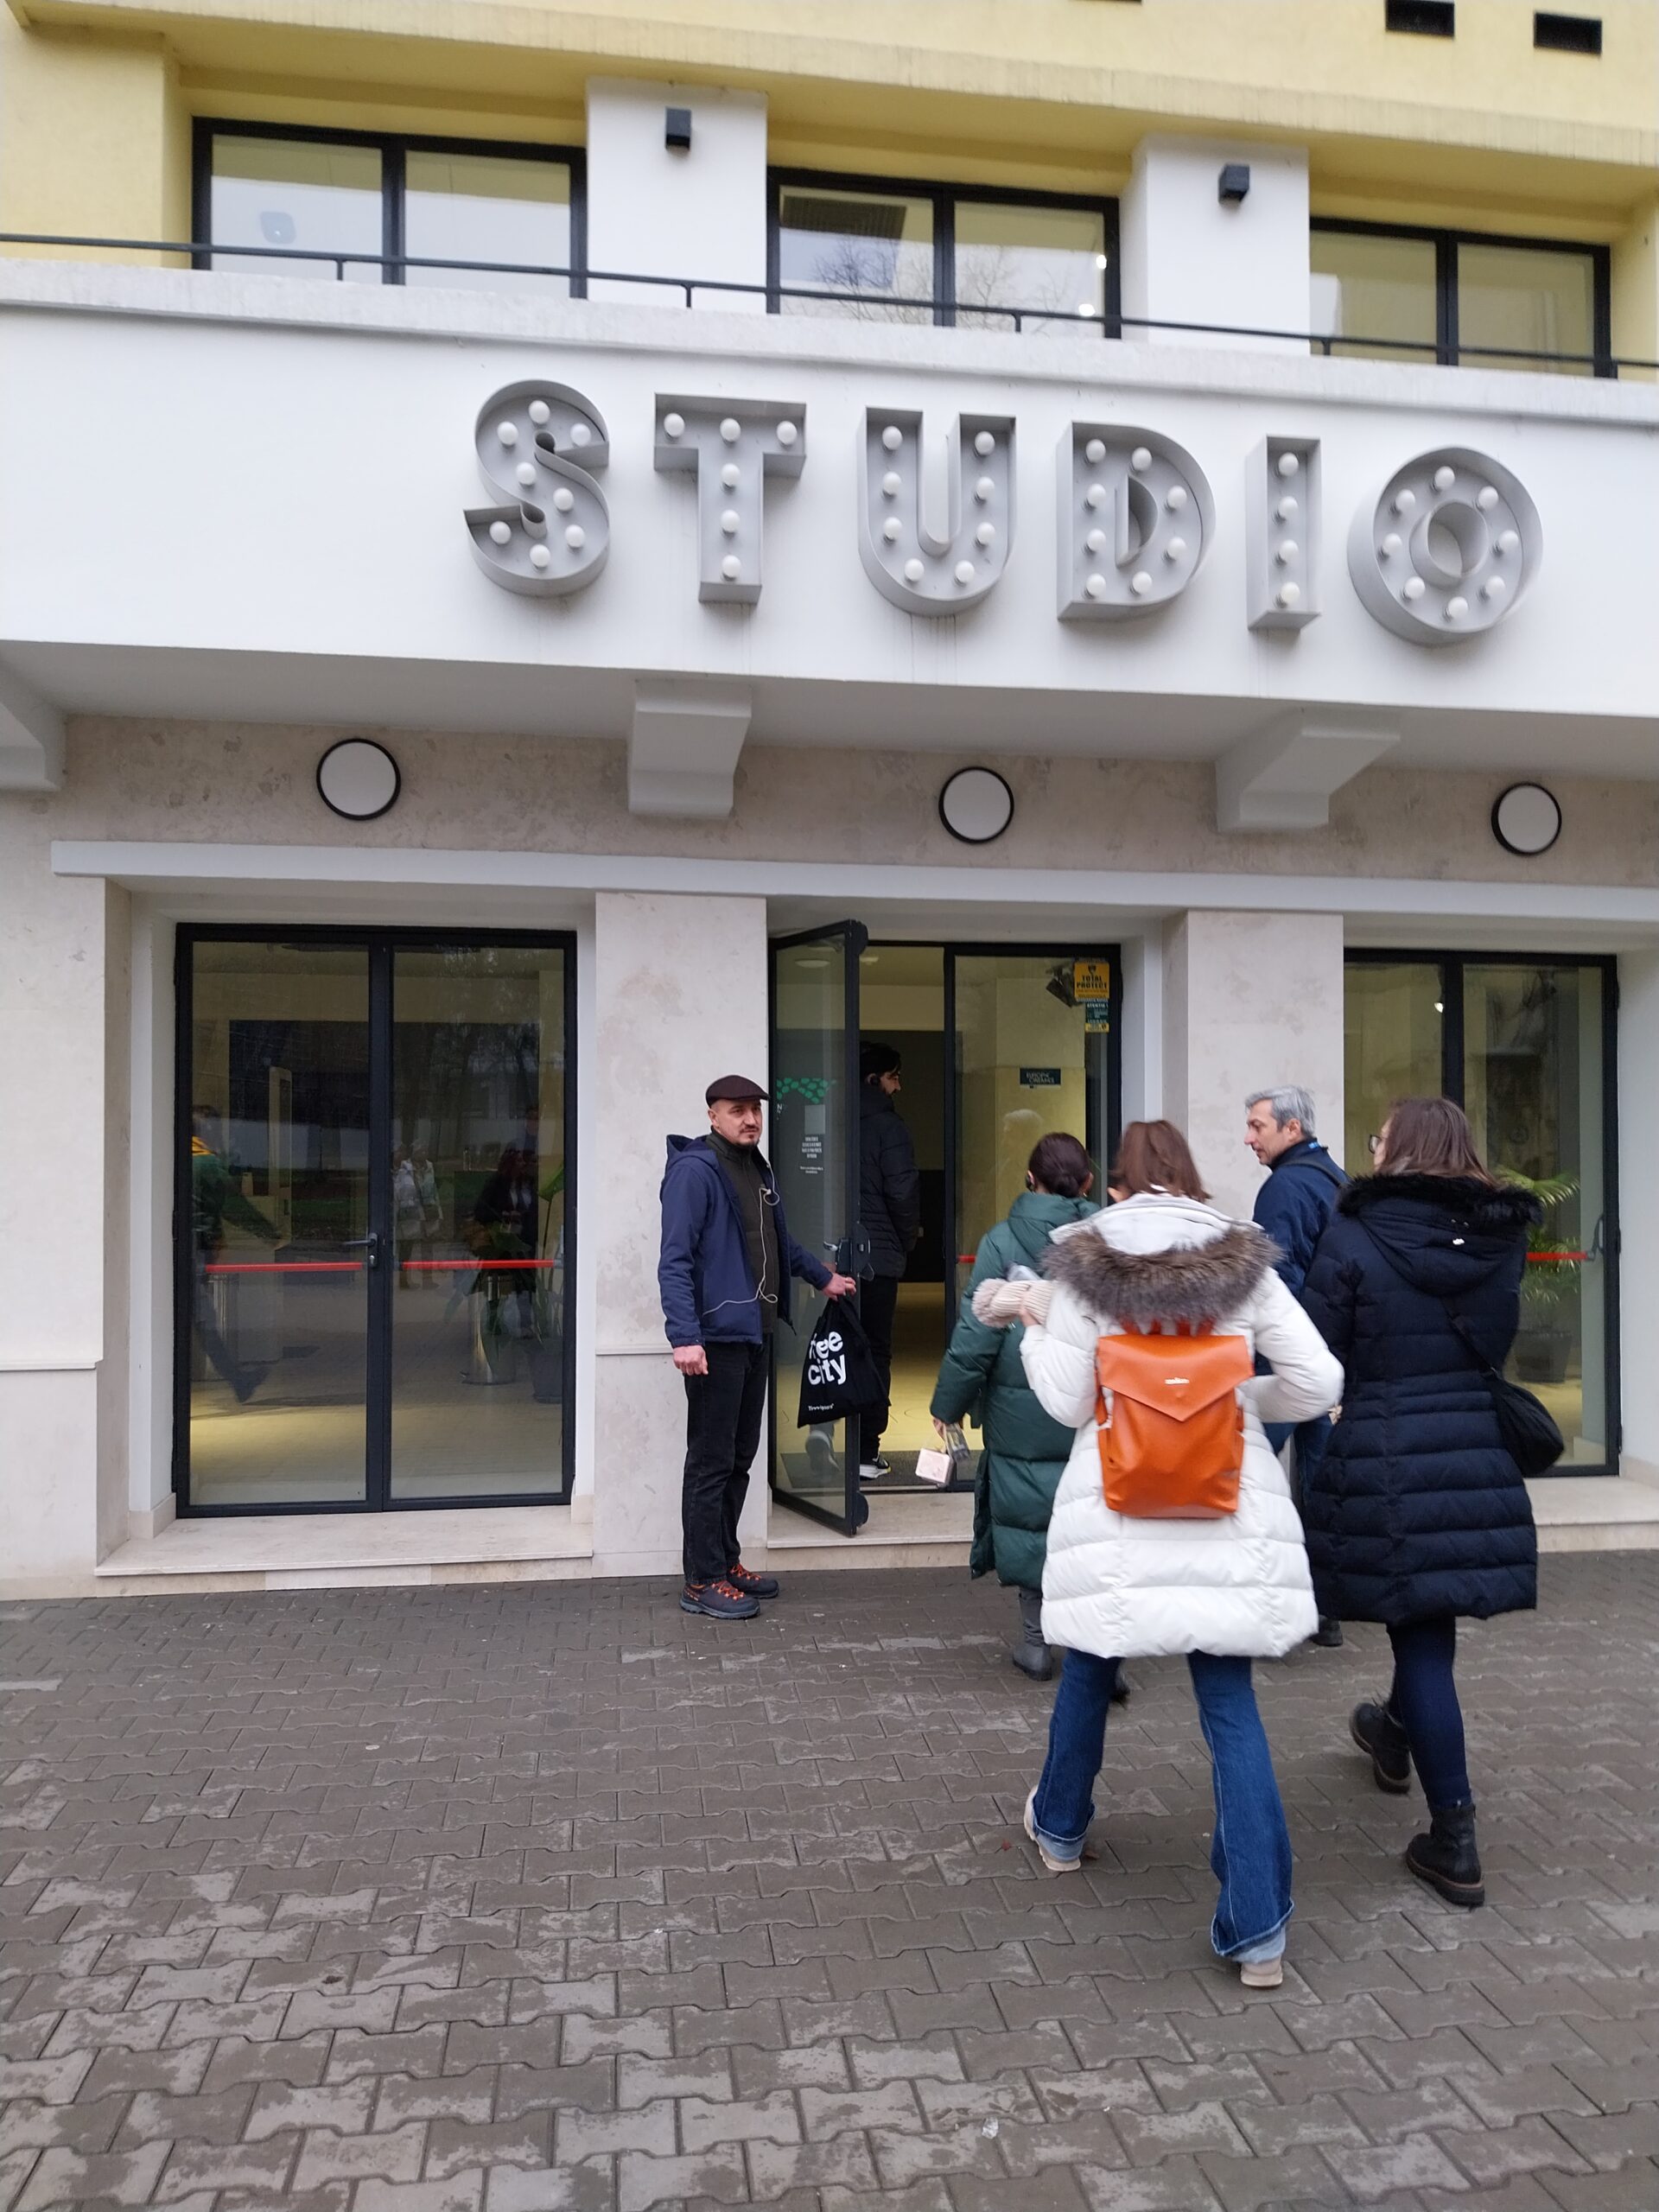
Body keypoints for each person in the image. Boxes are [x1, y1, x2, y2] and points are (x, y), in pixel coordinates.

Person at [984, 1119, 1342, 1989]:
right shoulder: (1244, 1260)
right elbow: (1320, 1381)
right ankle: (1259, 1933)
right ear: (1189, 1177)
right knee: (1230, 1703)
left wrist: (1033, 1328)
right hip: (1224, 1499)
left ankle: (1060, 1831)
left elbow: (1070, 1402)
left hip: (1119, 1503)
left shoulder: (1083, 1264)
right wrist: (1234, 1399)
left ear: (1117, 1185)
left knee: (1090, 1663)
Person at [1300, 1096, 1540, 1911]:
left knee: (1424, 1639)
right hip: (1473, 1442)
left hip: (1390, 1446)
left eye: (1380, 1138)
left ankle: (1455, 1840)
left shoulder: (1354, 1231)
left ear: (1398, 1149)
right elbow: (1496, 1339)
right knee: (1429, 1618)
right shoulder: (1501, 1237)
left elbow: (1319, 1346)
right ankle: (1393, 1732)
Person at [660, 1075, 857, 1619]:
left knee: (739, 1458)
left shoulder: (754, 1169)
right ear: (712, 1116)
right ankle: (701, 1580)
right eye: (738, 1110)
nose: (750, 1119)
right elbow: (674, 1260)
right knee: (710, 1461)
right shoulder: (696, 1172)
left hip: (755, 1333)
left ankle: (726, 1561)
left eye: (756, 1110)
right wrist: (685, 1336)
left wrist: (822, 1277)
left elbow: (777, 1241)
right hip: (715, 1341)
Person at [931, 1133, 1116, 1686]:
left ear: (1029, 1178)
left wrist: (948, 1404)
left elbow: (976, 1335)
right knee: (1094, 1524)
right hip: (1094, 1403)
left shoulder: (1002, 1240)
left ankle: (1036, 1643)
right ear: (1087, 1182)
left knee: (1032, 1516)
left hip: (1022, 1407)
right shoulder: (1107, 1240)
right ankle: (1104, 1654)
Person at [1245, 1084, 1349, 1649]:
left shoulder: (1284, 1188)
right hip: (1332, 1357)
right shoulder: (1336, 1179)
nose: (1248, 1138)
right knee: (1320, 1482)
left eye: (1257, 1126)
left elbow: (1273, 1284)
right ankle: (1325, 1606)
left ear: (1292, 1128)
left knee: (1247, 1473)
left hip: (1289, 1361)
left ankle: (1262, 1599)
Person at [856, 1041, 921, 1481]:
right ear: (873, 1079)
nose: (898, 1086)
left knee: (835, 1345)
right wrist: (905, 1240)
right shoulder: (888, 1127)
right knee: (876, 1350)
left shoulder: (835, 1119)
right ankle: (866, 1450)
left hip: (833, 1257)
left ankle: (823, 1433)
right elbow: (902, 1192)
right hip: (877, 1259)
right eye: (893, 1076)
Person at [190, 1104, 282, 1401]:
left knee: (196, 1319)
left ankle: (238, 1380)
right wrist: (270, 1234)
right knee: (203, 1321)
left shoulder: (171, 1159)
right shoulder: (206, 1165)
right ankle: (238, 1380)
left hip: (182, 1249)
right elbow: (235, 1207)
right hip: (196, 1251)